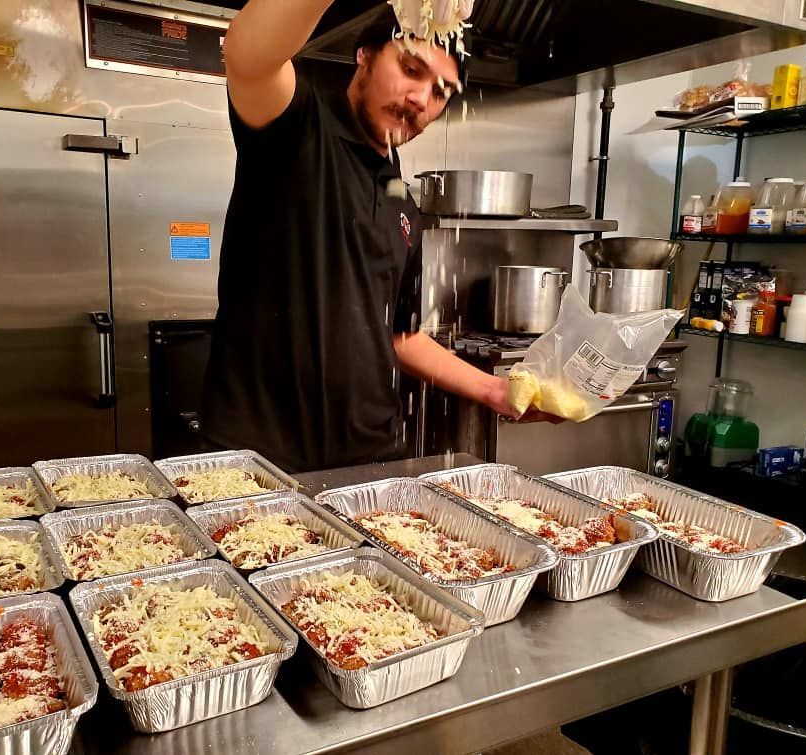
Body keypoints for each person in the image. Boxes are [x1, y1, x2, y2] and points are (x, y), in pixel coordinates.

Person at [203, 1, 553, 473]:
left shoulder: (402, 201)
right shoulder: (297, 128)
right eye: (410, 69)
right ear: (364, 56)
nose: (420, 99)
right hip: (257, 461)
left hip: (369, 460)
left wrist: (494, 390)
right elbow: (247, 54)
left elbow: (401, 336)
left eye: (440, 91)